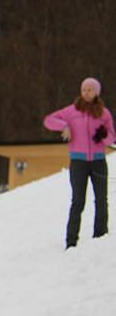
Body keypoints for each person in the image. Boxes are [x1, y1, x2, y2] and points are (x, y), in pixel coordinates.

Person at [45, 77, 116, 248]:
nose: (86, 92)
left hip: (98, 162)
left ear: (96, 92)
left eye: (90, 89)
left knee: (101, 199)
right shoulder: (71, 111)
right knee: (78, 200)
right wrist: (64, 126)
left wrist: (104, 135)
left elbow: (112, 138)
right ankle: (71, 241)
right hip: (78, 162)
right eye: (84, 89)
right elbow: (48, 120)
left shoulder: (104, 113)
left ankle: (100, 236)